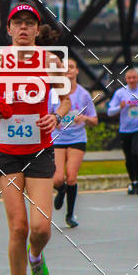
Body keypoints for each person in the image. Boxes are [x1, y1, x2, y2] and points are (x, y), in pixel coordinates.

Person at [0, 4, 70, 275]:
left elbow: (67, 99)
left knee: (41, 228)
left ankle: (36, 256)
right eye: (17, 23)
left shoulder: (51, 62)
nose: (23, 29)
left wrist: (55, 116)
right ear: (9, 29)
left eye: (30, 24)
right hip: (6, 152)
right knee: (18, 227)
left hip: (39, 150)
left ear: (37, 30)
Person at [51, 58, 98, 227]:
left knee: (71, 176)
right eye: (64, 68)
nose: (68, 70)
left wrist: (84, 117)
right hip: (57, 138)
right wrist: (54, 120)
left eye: (71, 67)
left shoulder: (84, 94)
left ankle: (70, 215)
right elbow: (47, 114)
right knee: (57, 179)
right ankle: (60, 189)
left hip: (77, 138)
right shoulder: (53, 93)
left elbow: (94, 120)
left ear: (77, 71)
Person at [107, 68, 138, 194]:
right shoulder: (120, 93)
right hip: (125, 129)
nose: (132, 80)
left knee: (135, 152)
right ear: (126, 80)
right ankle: (132, 181)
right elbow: (110, 111)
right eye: (129, 78)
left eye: (134, 77)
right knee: (128, 157)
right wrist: (120, 107)